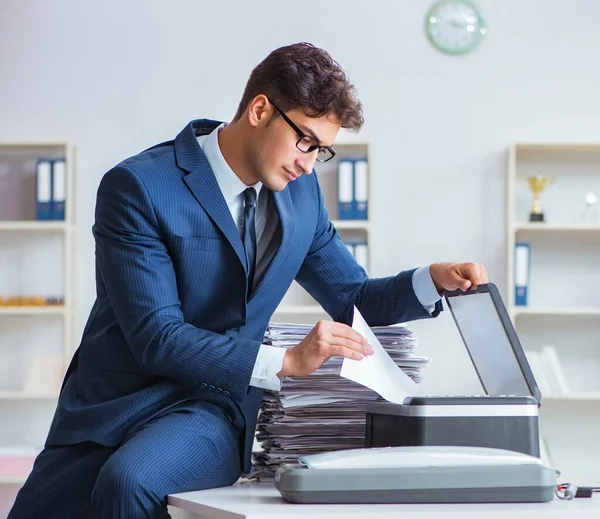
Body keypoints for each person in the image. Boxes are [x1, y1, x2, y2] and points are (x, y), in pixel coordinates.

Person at [8, 42, 487, 518]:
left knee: (129, 481)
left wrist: (431, 281)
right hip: (113, 406)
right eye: (305, 141)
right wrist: (287, 361)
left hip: (207, 407)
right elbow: (157, 337)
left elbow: (353, 297)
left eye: (322, 151)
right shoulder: (138, 186)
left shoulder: (302, 198)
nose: (308, 162)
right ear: (260, 109)